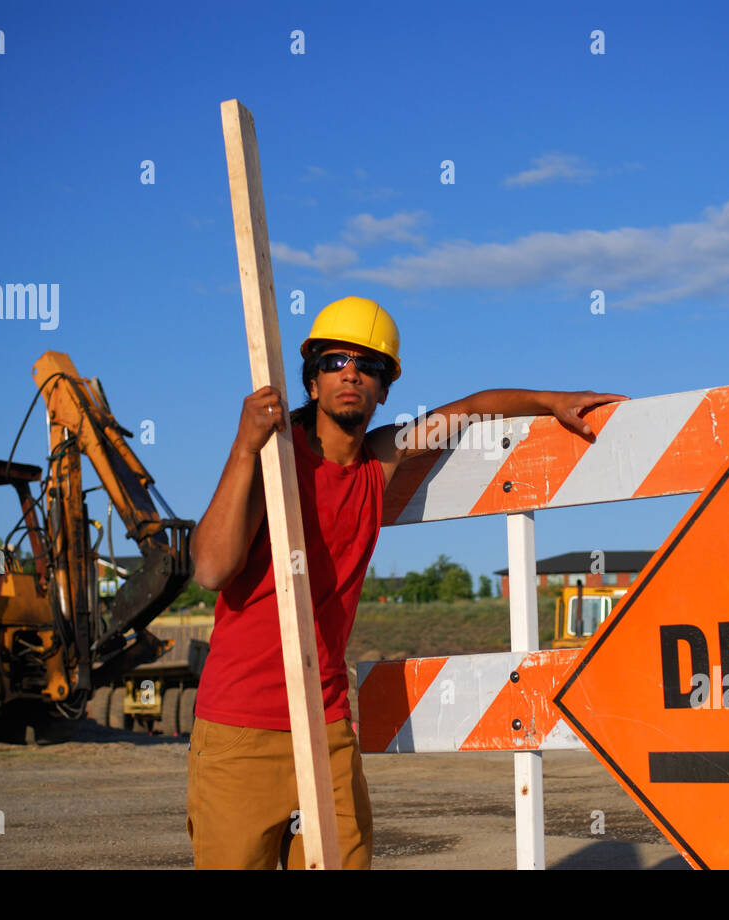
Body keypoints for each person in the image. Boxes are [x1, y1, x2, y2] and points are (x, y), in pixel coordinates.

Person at [185, 295, 625, 869]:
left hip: (326, 726)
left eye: (369, 367)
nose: (351, 373)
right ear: (311, 382)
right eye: (335, 361)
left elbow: (472, 407)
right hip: (239, 730)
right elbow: (211, 568)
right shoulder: (273, 461)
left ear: (385, 389)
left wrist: (552, 401)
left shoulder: (380, 462)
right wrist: (245, 445)